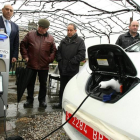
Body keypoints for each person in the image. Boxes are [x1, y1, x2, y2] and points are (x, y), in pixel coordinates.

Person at [20, 19, 56, 108]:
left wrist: (49, 59)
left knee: (43, 84)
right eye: (39, 26)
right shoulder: (30, 34)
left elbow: (54, 50)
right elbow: (23, 44)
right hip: (31, 64)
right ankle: (29, 100)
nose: (40, 29)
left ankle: (42, 101)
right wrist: (25, 56)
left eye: (43, 28)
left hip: (44, 66)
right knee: (30, 83)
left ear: (47, 28)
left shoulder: (50, 38)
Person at [54, 23, 86, 109]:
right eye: (67, 30)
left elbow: (81, 55)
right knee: (62, 87)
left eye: (71, 30)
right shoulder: (63, 41)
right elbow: (58, 52)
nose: (69, 32)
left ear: (75, 31)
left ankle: (70, 105)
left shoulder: (80, 41)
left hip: (72, 69)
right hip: (63, 68)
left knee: (71, 88)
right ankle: (61, 103)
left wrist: (71, 61)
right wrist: (60, 60)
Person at [0, 4, 19, 69]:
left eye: (11, 10)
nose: (9, 11)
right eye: (7, 9)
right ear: (2, 10)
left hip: (8, 56)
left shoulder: (15, 26)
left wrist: (14, 56)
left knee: (4, 75)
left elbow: (16, 42)